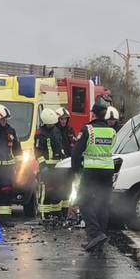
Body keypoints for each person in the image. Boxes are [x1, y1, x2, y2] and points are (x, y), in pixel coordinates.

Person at [71, 95, 116, 251]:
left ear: (93, 115)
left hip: (91, 171)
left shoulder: (88, 129)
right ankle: (99, 237)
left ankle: (95, 234)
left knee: (84, 202)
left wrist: (75, 171)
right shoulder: (111, 131)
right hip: (107, 172)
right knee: (103, 204)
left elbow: (76, 153)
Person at [35, 108, 67, 219]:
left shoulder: (56, 130)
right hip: (46, 166)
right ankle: (44, 215)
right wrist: (43, 165)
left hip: (57, 166)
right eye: (49, 124)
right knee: (46, 191)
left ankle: (56, 213)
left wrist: (63, 156)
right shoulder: (40, 133)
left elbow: (60, 146)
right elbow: (37, 151)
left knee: (57, 190)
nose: (51, 126)